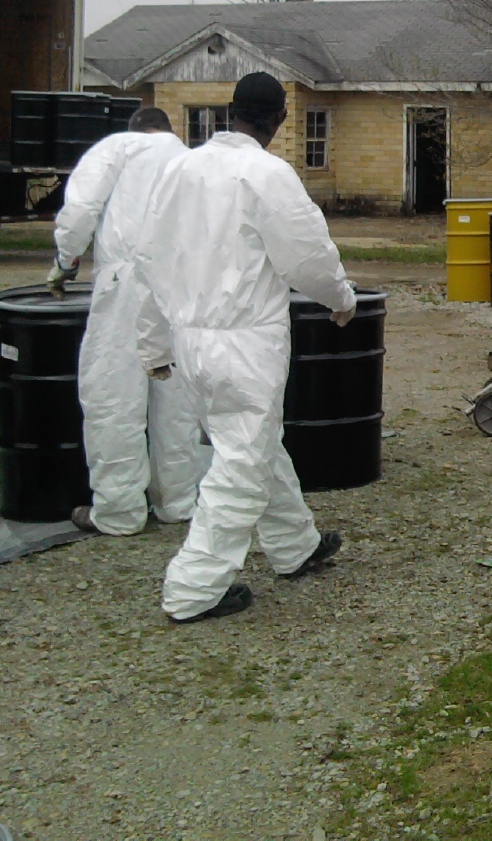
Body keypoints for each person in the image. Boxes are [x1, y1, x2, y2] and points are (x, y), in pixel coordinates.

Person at [134, 73, 356, 623]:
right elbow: (305, 252)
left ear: (230, 111)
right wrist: (340, 296)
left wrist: (153, 344)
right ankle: (193, 588)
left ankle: (293, 543)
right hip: (246, 341)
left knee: (250, 441)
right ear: (280, 120)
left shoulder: (178, 169)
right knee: (242, 459)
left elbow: (149, 260)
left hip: (189, 340)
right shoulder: (266, 172)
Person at [51, 106, 208, 536]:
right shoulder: (190, 160)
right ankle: (177, 501)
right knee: (175, 400)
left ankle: (119, 511)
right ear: (170, 130)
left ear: (135, 129)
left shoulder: (117, 148)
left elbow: (80, 208)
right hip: (179, 288)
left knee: (114, 396)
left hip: (125, 285)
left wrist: (65, 259)